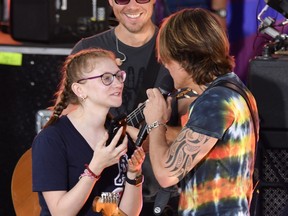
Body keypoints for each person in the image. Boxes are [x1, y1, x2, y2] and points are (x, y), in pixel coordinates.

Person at [134, 8, 259, 215]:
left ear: (184, 58)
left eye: (167, 58)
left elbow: (166, 174)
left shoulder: (215, 100)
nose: (164, 64)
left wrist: (156, 122)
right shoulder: (231, 88)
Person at [71, 0, 182, 215]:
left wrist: (151, 134)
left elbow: (192, 135)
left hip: (158, 194)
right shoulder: (87, 49)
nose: (132, 6)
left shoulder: (178, 52)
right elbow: (68, 119)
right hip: (99, 191)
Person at [32, 48, 145, 216]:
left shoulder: (119, 136)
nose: (118, 83)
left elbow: (128, 214)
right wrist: (95, 168)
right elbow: (60, 213)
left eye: (119, 76)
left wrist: (133, 174)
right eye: (106, 78)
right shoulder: (51, 139)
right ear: (79, 90)